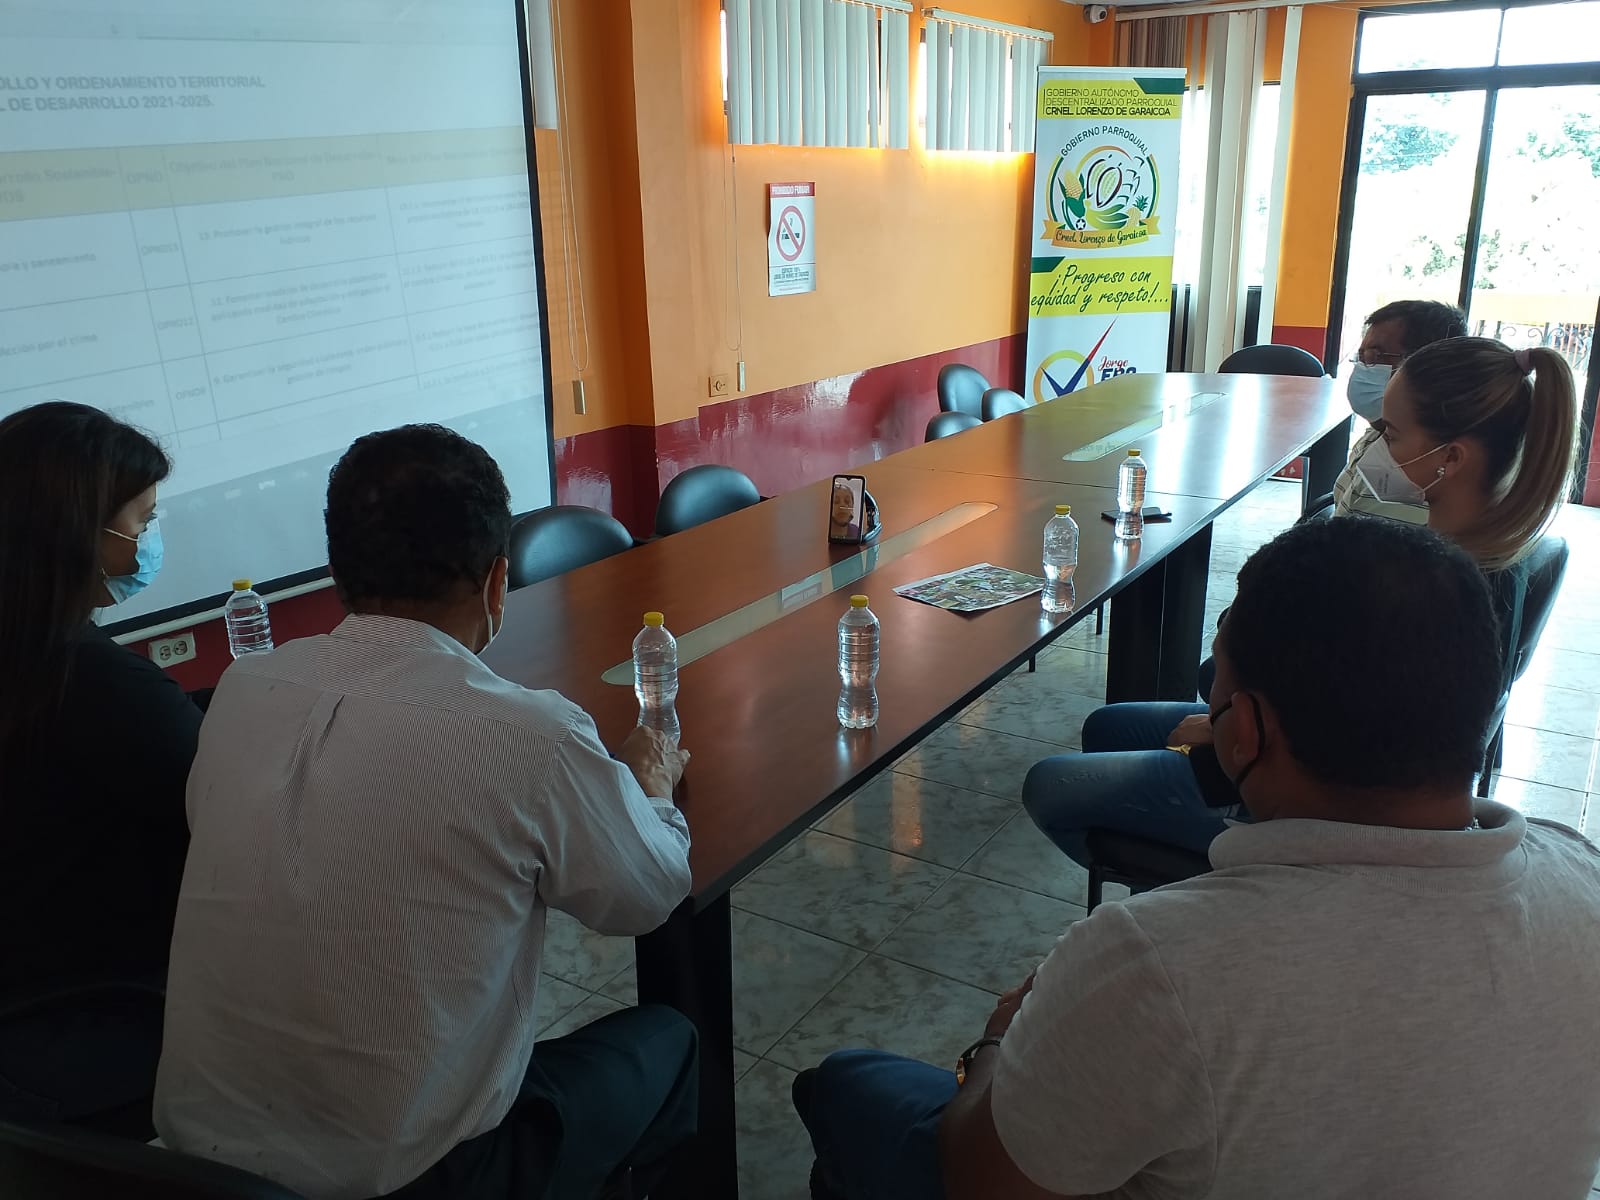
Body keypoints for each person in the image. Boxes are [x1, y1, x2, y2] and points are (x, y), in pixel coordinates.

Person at [794, 518, 1600, 1199]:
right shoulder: (1585, 883)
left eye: (1217, 691)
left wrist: (998, 1043)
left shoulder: (1160, 964)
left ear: (1241, 735)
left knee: (845, 1080)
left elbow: (982, 1179)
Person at [154, 424, 698, 1200]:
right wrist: (650, 785)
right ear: (498, 581)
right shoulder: (529, 734)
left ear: (338, 573)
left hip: (193, 1171)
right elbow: (646, 896)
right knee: (670, 1041)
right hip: (407, 1176)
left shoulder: (242, 691)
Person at [1024, 333, 1579, 869]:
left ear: (1449, 458)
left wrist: (1224, 746)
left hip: (1319, 813)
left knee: (1050, 785)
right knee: (1110, 726)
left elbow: (1372, 757)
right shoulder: (1465, 551)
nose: (1375, 446)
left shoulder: (1448, 587)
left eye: (1390, 432)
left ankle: (1239, 887)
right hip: (1295, 747)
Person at [0, 401, 201, 1133]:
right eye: (141, 524)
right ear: (78, 535)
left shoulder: (36, 662)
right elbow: (235, 805)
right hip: (107, 1026)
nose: (148, 541)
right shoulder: (96, 685)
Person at [1334, 299, 1467, 520]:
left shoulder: (1425, 467)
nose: (1363, 367)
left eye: (1375, 355)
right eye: (1362, 356)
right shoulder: (1378, 433)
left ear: (1427, 366)